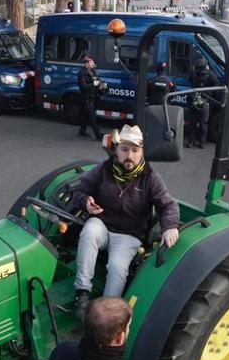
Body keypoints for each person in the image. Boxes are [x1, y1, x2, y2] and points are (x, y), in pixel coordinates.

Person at [72, 124, 180, 318]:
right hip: (103, 225)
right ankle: (82, 293)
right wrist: (86, 203)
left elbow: (168, 205)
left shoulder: (150, 177)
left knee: (117, 267)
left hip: (129, 235)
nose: (129, 155)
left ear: (141, 152)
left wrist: (170, 227)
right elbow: (80, 191)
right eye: (124, 149)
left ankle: (106, 312)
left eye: (135, 150)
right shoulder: (104, 169)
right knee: (89, 231)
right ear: (117, 150)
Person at [186, 57, 218, 148]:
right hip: (205, 101)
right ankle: (201, 142)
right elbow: (216, 89)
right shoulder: (211, 75)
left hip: (195, 100)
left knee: (192, 123)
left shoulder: (194, 74)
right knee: (203, 123)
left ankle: (191, 142)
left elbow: (191, 82)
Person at [76, 55, 104, 141]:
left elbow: (97, 80)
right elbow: (83, 86)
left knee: (85, 115)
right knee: (92, 117)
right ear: (86, 64)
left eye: (93, 63)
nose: (93, 64)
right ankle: (99, 135)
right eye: (91, 63)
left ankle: (82, 131)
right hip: (86, 98)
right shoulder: (82, 73)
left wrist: (102, 84)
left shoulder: (93, 71)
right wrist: (93, 85)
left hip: (93, 97)